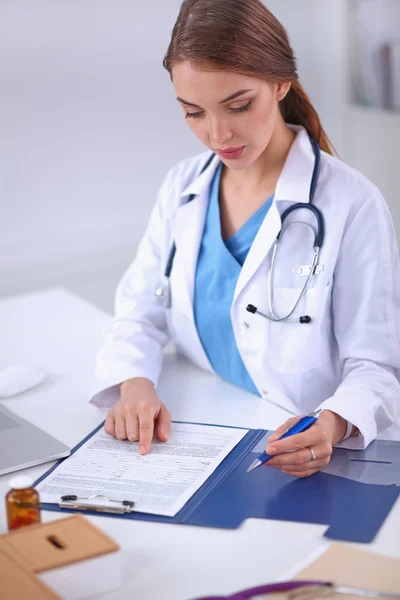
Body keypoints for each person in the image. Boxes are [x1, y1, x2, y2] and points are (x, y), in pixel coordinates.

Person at [90, 0, 400, 478]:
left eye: (238, 106)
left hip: (295, 454)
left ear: (280, 83)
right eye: (193, 112)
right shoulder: (183, 187)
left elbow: (377, 366)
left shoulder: (352, 204)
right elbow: (138, 312)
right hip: (198, 428)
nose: (218, 134)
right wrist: (134, 387)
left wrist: (335, 423)